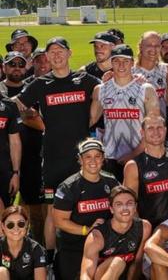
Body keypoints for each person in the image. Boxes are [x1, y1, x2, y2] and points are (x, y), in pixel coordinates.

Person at [14, 37, 100, 265]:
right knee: (53, 211)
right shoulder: (41, 84)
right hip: (53, 159)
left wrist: (90, 120)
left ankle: (86, 255)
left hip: (82, 159)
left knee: (84, 207)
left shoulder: (85, 81)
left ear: (70, 53)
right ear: (47, 57)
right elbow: (18, 104)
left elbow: (103, 91)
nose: (56, 55)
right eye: (51, 52)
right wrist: (35, 121)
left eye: (60, 51)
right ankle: (50, 261)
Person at [52, 139, 120, 280]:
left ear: (103, 158)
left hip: (104, 246)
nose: (93, 160)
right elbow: (59, 221)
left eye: (97, 156)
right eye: (88, 156)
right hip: (73, 247)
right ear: (80, 160)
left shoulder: (111, 182)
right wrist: (87, 229)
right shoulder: (68, 187)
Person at [91, 44, 160, 181]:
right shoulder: (101, 89)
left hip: (140, 156)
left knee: (139, 199)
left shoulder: (146, 89)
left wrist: (133, 154)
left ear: (132, 63)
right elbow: (90, 121)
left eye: (126, 61)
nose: (121, 65)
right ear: (111, 62)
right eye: (117, 61)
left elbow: (155, 130)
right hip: (110, 157)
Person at [14, 48, 49, 246]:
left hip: (51, 152)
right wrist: (34, 118)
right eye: (38, 61)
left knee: (49, 206)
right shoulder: (27, 87)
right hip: (29, 153)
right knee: (30, 204)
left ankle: (45, 246)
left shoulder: (57, 84)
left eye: (46, 60)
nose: (43, 64)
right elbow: (23, 113)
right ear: (32, 63)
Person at [80, 185, 151, 280]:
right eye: (119, 204)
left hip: (125, 277)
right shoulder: (97, 236)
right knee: (118, 262)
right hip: (101, 276)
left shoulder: (144, 227)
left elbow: (137, 263)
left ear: (135, 207)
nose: (125, 208)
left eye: (129, 203)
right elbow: (86, 274)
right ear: (111, 209)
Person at [0, 205, 47, 280]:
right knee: (2, 271)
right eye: (10, 225)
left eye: (21, 224)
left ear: (27, 224)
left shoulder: (36, 249)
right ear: (3, 226)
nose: (16, 228)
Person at [133, 31, 168, 120]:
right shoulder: (130, 71)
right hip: (137, 127)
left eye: (157, 46)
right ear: (140, 47)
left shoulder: (167, 70)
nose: (153, 49)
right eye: (149, 45)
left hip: (160, 127)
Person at [0, 89, 20, 213]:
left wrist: (16, 173)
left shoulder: (9, 105)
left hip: (4, 170)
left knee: (5, 214)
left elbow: (15, 142)